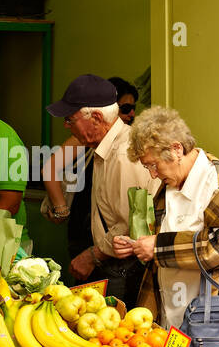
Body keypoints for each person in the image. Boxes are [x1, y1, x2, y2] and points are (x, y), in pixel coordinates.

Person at [112, 107, 219, 329]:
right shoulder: (169, 186)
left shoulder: (218, 181)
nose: (152, 175)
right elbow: (167, 242)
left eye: (153, 165)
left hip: (218, 321)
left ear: (176, 150)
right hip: (173, 316)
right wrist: (137, 246)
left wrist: (157, 247)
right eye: (147, 167)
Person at [46, 74, 158, 304]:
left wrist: (91, 256)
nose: (67, 126)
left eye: (70, 119)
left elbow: (131, 225)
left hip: (124, 266)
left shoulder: (123, 155)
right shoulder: (105, 147)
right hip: (111, 259)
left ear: (96, 117)